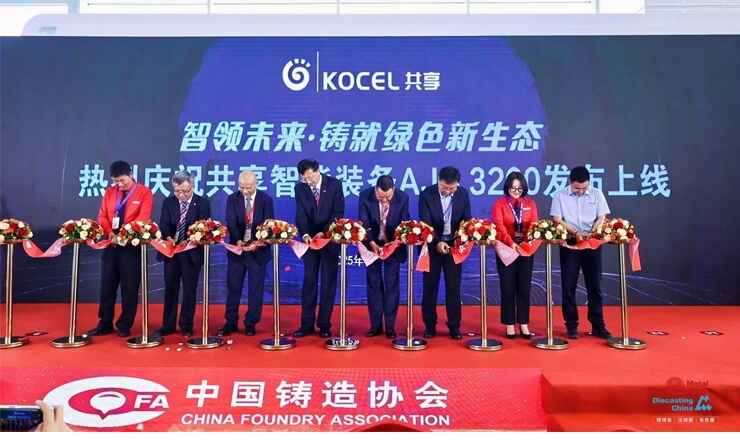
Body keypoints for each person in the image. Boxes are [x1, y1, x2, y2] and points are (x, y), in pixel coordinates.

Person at [88, 161, 153, 338]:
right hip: (111, 244)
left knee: (129, 287)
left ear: (131, 174)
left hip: (131, 247)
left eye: (122, 180)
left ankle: (125, 324)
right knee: (107, 286)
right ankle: (105, 323)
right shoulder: (110, 192)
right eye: (115, 181)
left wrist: (124, 234)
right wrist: (109, 232)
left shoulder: (144, 192)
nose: (119, 184)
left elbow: (143, 219)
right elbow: (102, 215)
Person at [550, 165, 613, 340]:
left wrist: (593, 231)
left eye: (584, 188)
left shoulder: (597, 194)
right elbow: (557, 219)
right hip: (570, 244)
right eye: (577, 188)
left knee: (595, 286)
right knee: (568, 286)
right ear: (570, 182)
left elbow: (601, 217)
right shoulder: (560, 196)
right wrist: (575, 233)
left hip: (592, 244)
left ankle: (598, 325)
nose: (581, 191)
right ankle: (571, 325)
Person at [217, 170, 275, 337]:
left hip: (258, 252)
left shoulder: (266, 200)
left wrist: (257, 242)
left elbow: (268, 224)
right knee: (233, 287)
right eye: (241, 187)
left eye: (248, 188)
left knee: (255, 289)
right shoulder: (233, 198)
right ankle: (230, 322)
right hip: (238, 251)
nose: (244, 191)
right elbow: (231, 221)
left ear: (256, 184)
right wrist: (237, 240)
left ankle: (251, 322)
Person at [154, 171, 211, 338]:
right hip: (171, 251)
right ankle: (168, 325)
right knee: (170, 289)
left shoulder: (202, 203)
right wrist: (168, 237)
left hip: (191, 252)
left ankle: (186, 325)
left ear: (193, 187)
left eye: (185, 191)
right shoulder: (169, 202)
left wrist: (188, 240)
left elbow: (202, 227)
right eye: (177, 191)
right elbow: (164, 224)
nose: (181, 195)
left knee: (189, 290)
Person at [418, 166, 471, 340]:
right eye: (445, 188)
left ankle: (454, 326)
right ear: (438, 181)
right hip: (433, 245)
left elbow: (466, 221)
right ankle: (430, 325)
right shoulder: (427, 194)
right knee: (430, 287)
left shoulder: (462, 194)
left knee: (453, 287)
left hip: (453, 247)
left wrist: (458, 239)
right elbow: (426, 223)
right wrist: (437, 242)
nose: (448, 191)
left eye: (452, 188)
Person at [293, 158, 345, 338]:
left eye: (310, 177)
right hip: (310, 242)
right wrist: (305, 234)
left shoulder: (334, 185)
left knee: (328, 282)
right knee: (309, 282)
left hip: (329, 240)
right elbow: (301, 214)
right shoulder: (300, 189)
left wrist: (324, 232)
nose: (308, 182)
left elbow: (338, 213)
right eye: (304, 179)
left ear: (318, 170)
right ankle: (306, 324)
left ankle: (324, 324)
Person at [358, 175, 410, 339]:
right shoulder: (365, 196)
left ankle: (390, 326)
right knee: (374, 284)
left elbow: (404, 223)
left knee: (391, 286)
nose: (385, 200)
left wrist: (395, 242)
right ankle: (375, 325)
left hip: (393, 246)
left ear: (394, 190)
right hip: (371, 245)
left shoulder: (402, 197)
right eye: (381, 197)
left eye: (388, 197)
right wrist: (372, 242)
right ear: (375, 190)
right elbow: (364, 223)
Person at [492, 171, 538, 340]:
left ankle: (524, 323)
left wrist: (525, 243)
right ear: (507, 187)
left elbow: (534, 225)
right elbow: (499, 226)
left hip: (525, 249)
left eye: (519, 188)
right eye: (513, 188)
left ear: (524, 188)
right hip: (506, 249)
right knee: (508, 286)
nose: (516, 191)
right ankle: (509, 324)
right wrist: (511, 243)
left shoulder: (530, 203)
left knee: (524, 287)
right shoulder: (500, 204)